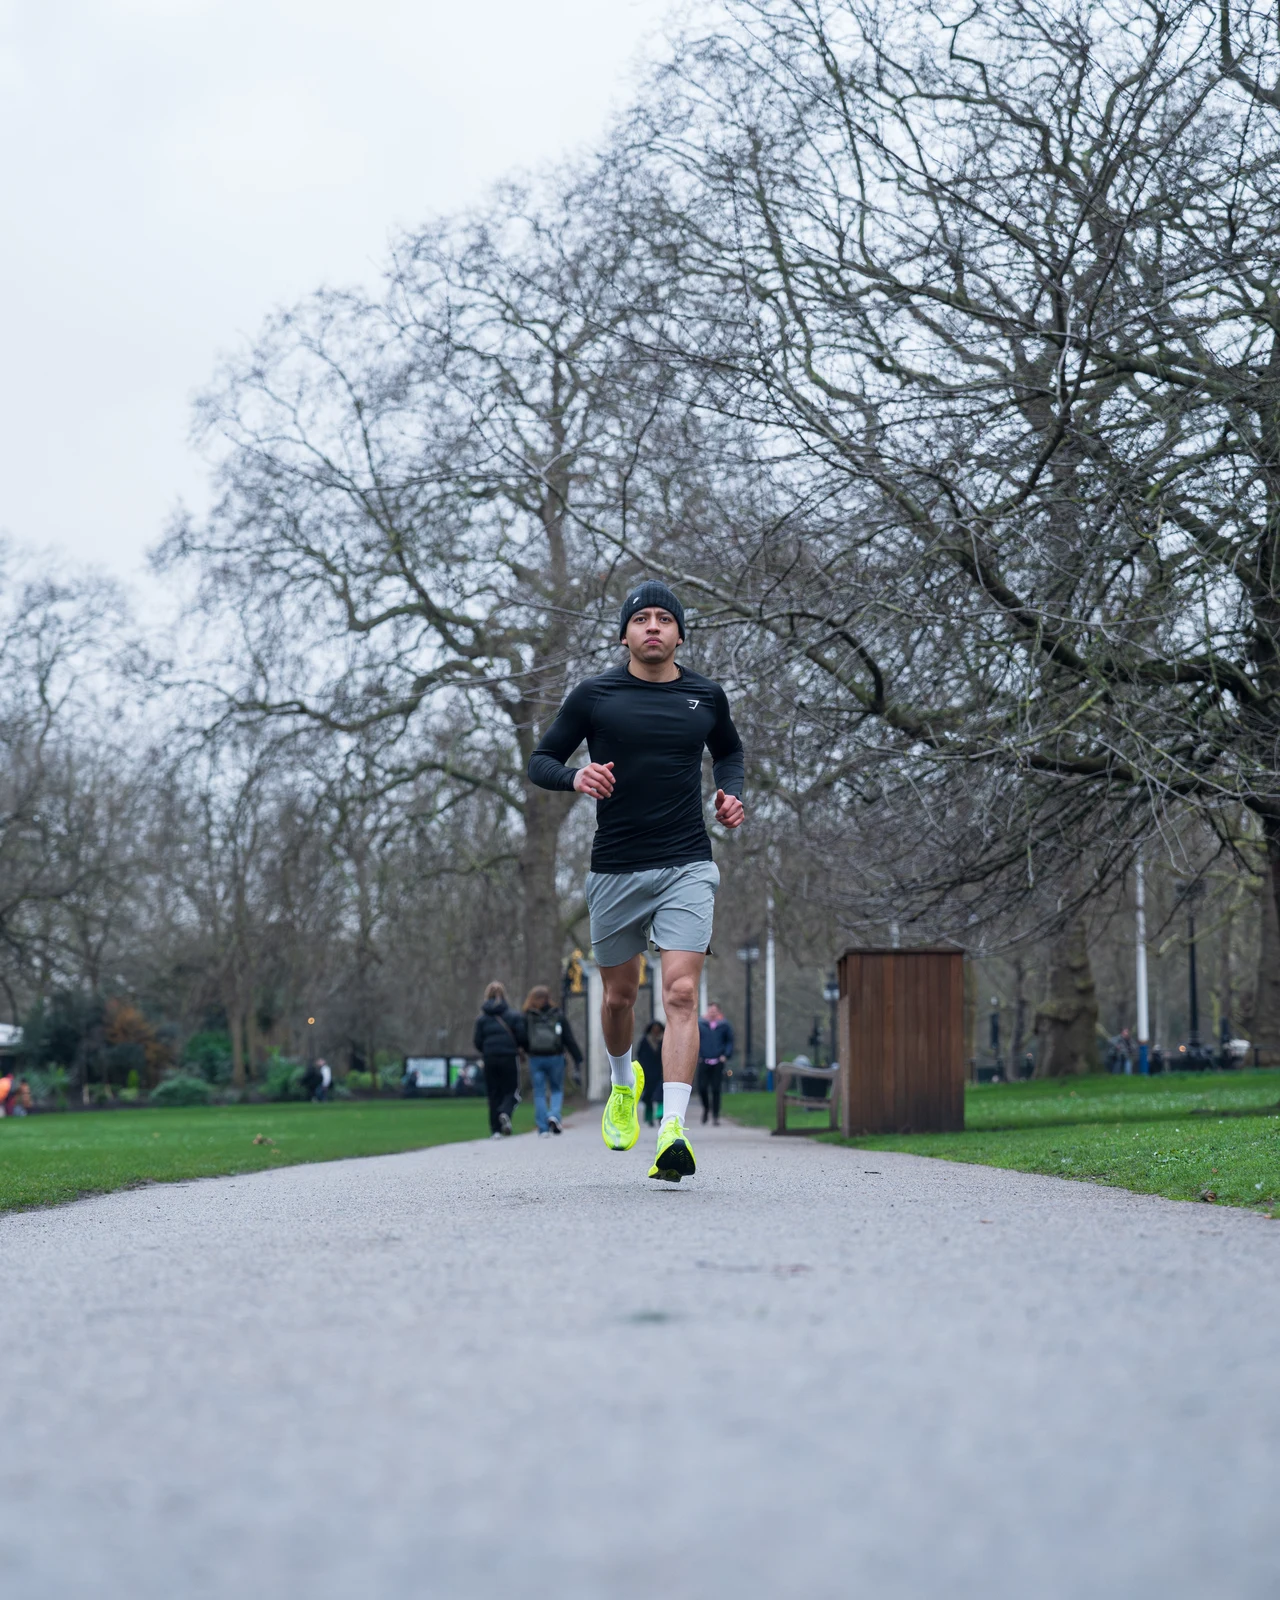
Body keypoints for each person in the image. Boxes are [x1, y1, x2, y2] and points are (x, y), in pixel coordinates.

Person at [528, 579, 745, 1181]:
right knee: (619, 996)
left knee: (679, 994)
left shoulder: (706, 696)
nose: (653, 626)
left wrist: (731, 794)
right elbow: (540, 760)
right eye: (641, 618)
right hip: (616, 867)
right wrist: (575, 778)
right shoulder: (594, 696)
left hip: (687, 864)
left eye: (664, 619)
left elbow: (729, 753)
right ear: (624, 633)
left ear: (679, 633)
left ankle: (672, 1131)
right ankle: (625, 1083)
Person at [523, 984, 582, 1136]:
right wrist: (577, 1057)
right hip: (555, 1057)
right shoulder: (558, 1015)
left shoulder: (528, 1016)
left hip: (536, 1058)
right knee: (556, 1090)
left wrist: (525, 1051)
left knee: (539, 1093)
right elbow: (568, 1038)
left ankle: (543, 1128)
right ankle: (554, 1115)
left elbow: (523, 1038)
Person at [473, 981, 527, 1137]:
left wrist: (488, 1050)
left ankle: (495, 1130)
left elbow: (477, 1041)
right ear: (504, 996)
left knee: (493, 1093)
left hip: (490, 1058)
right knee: (511, 1090)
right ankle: (505, 1112)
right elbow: (522, 1037)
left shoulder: (481, 1020)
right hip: (509, 1057)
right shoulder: (513, 1016)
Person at [696, 1001, 734, 1126]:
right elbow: (695, 1040)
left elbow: (729, 1041)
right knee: (702, 1088)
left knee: (716, 1089)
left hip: (718, 1061)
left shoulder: (724, 1025)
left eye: (715, 1011)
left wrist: (725, 1055)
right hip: (704, 1060)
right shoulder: (700, 1024)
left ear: (718, 1012)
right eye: (710, 1010)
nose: (712, 1013)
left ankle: (716, 1116)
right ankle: (706, 1108)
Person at [637, 1020, 665, 1126]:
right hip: (647, 1072)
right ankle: (649, 1117)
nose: (656, 1030)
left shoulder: (664, 1040)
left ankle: (660, 1114)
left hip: (661, 1071)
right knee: (648, 1096)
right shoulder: (645, 1040)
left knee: (661, 1095)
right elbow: (639, 1054)